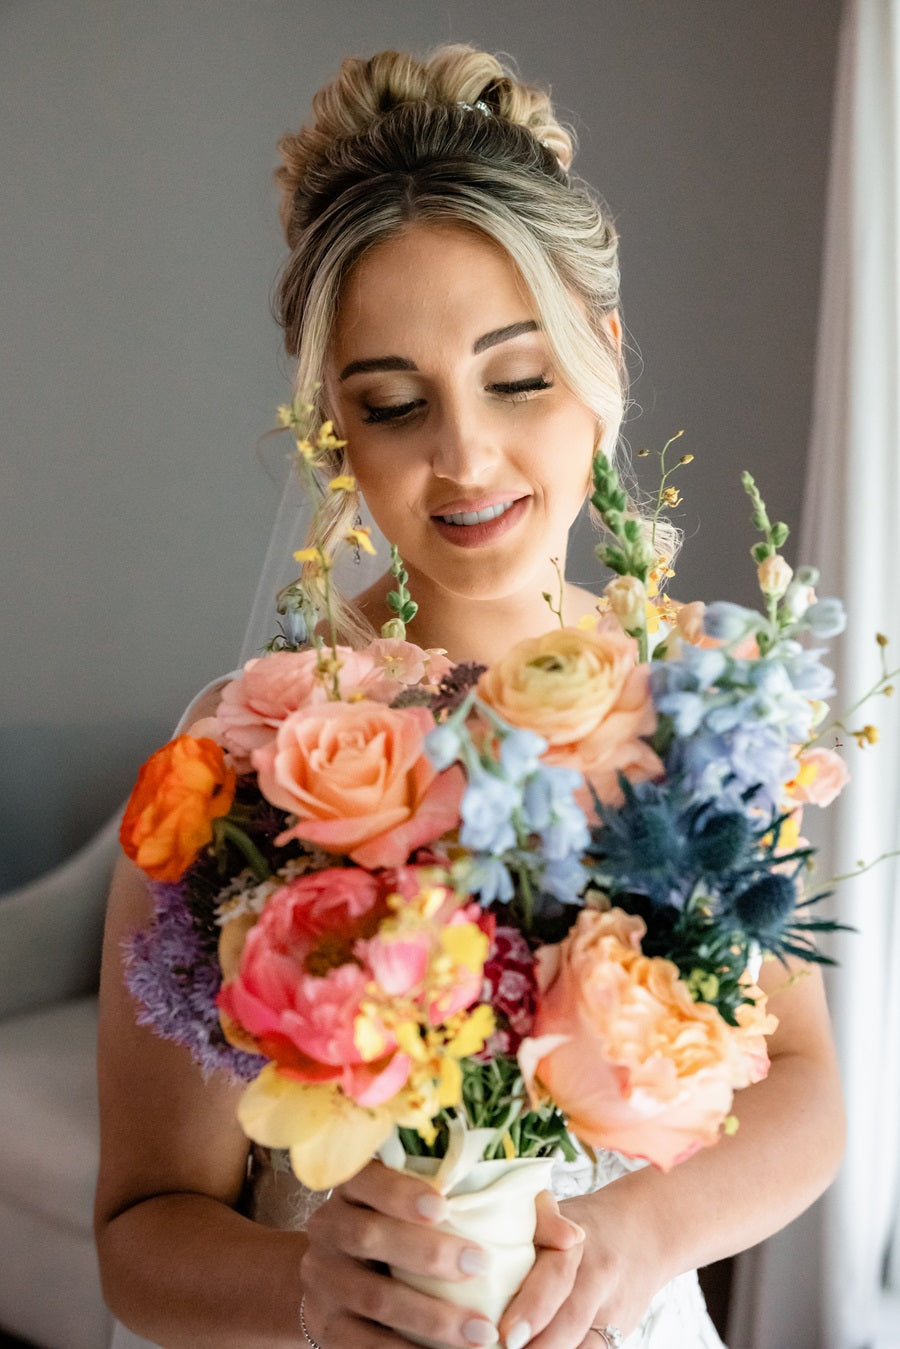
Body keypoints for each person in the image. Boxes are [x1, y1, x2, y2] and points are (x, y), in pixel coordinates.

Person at [94, 44, 845, 1349]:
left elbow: (808, 1090)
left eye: (518, 378)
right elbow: (141, 1229)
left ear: (602, 358)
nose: (465, 458)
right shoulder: (250, 751)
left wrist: (639, 1236)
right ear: (333, 426)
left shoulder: (696, 710)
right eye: (394, 405)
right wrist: (310, 1287)